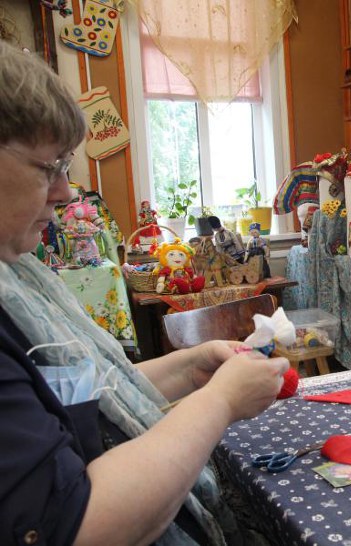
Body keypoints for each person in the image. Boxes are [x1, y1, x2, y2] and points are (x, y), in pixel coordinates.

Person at [0, 41, 290, 544]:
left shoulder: (19, 278)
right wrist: (220, 402)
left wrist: (190, 369)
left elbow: (80, 397)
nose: (65, 192)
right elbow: (81, 527)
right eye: (49, 167)